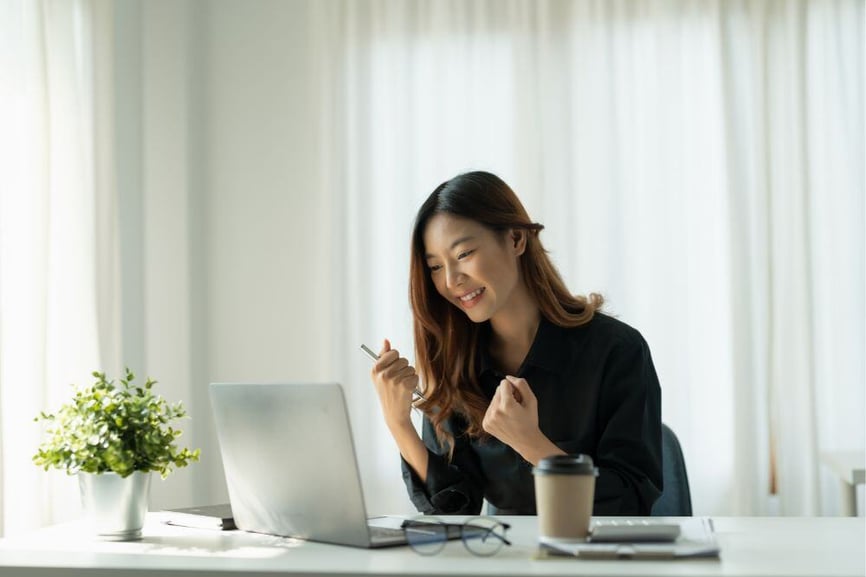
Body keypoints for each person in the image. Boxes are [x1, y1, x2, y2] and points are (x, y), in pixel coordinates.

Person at [370, 171, 662, 516]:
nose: (451, 280)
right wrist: (399, 425)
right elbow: (455, 512)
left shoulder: (617, 350)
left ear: (516, 240)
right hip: (506, 562)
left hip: (600, 562)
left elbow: (630, 501)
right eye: (435, 266)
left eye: (463, 254)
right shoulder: (455, 363)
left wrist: (532, 444)